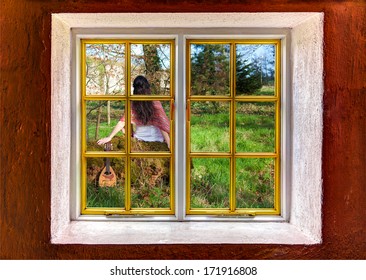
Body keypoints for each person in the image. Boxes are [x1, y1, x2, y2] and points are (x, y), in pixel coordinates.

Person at [97, 76, 170, 149]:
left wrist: (109, 137)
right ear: (148, 87)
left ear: (134, 89)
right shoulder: (155, 102)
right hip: (156, 140)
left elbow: (122, 122)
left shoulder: (133, 104)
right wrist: (169, 144)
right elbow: (162, 125)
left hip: (139, 140)